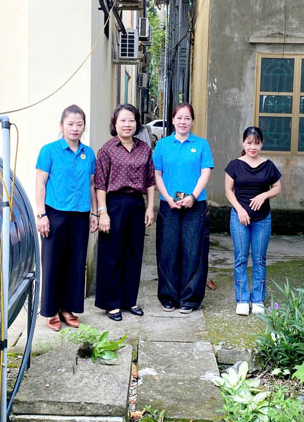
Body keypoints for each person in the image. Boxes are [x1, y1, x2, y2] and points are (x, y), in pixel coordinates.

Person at [35, 105, 98, 331]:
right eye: (70, 124)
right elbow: (40, 183)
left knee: (75, 263)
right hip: (55, 214)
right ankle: (51, 311)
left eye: (79, 124)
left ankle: (67, 309)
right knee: (52, 263)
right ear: (61, 126)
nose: (74, 128)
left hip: (80, 215)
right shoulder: (49, 151)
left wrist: (94, 213)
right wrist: (41, 214)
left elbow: (91, 185)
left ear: (84, 127)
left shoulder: (88, 153)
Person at [94, 104, 155, 321]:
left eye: (131, 120)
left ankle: (130, 300)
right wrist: (103, 212)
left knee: (133, 253)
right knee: (112, 254)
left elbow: (150, 181)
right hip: (113, 204)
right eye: (123, 120)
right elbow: (100, 184)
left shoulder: (145, 149)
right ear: (115, 123)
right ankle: (112, 303)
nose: (127, 124)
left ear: (137, 123)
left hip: (136, 204)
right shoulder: (107, 150)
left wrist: (149, 207)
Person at [153, 104, 214, 313]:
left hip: (195, 205)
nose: (183, 122)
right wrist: (168, 198)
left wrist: (193, 197)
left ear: (192, 121)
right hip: (168, 205)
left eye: (187, 118)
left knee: (193, 250)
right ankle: (168, 297)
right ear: (173, 120)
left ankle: (190, 299)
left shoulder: (201, 144)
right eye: (179, 118)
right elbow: (157, 175)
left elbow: (205, 172)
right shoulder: (162, 145)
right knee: (168, 250)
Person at [224, 127, 281, 316]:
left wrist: (264, 195)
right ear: (243, 143)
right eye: (249, 143)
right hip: (239, 217)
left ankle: (257, 299)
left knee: (259, 259)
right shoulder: (234, 165)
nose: (252, 147)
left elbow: (277, 187)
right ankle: (241, 298)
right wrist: (240, 210)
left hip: (262, 218)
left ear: (261, 144)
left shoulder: (269, 165)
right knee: (241, 258)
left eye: (256, 143)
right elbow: (228, 191)